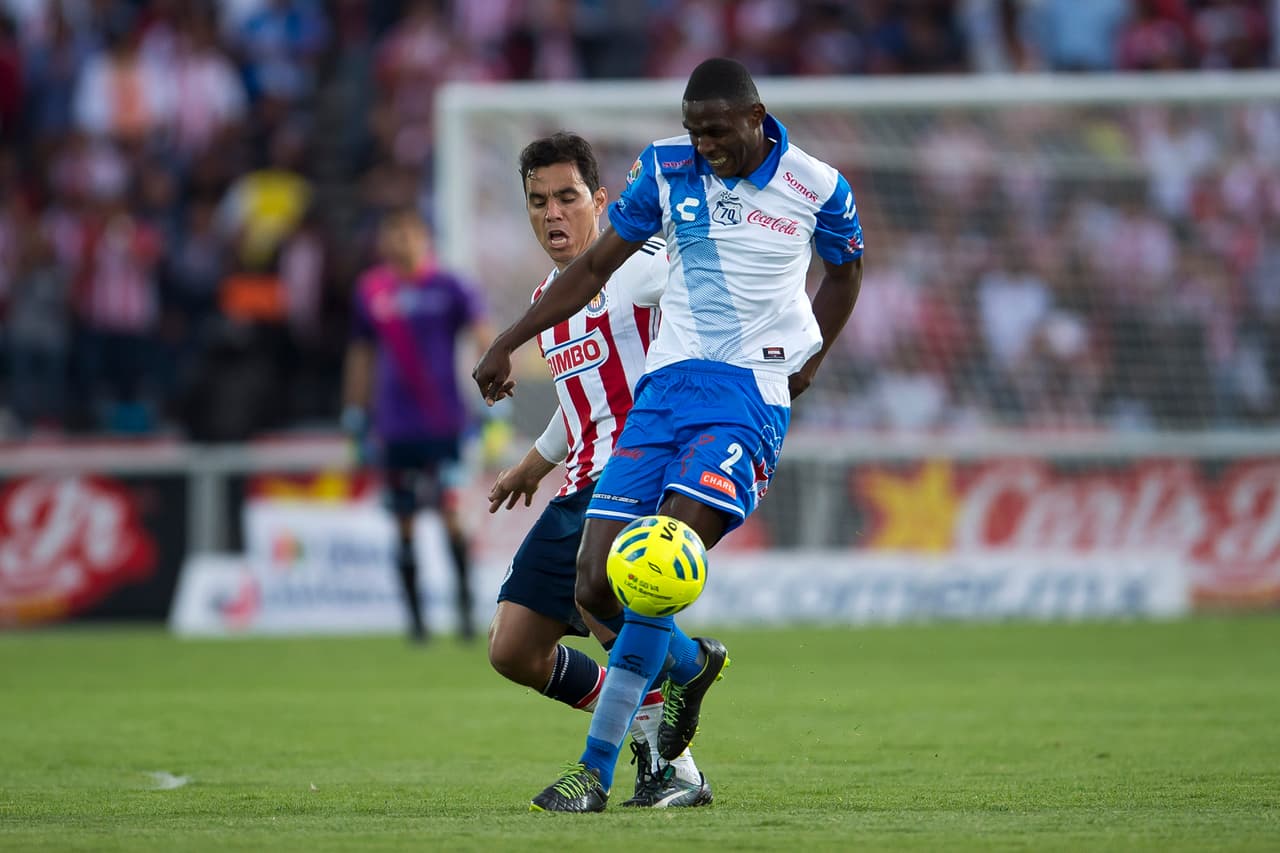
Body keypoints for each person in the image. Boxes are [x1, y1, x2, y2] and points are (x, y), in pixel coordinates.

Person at [474, 57, 864, 812]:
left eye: (716, 132)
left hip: (740, 400)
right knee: (582, 595)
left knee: (648, 577)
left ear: (755, 118)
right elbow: (590, 315)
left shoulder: (815, 186)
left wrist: (808, 359)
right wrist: (513, 360)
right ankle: (690, 667)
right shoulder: (661, 173)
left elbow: (847, 271)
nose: (703, 146)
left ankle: (605, 771)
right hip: (659, 405)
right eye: (693, 132)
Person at [486, 132, 712, 808]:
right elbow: (579, 399)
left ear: (601, 201)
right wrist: (533, 464)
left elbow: (702, 287)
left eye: (567, 197)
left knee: (600, 598)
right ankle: (690, 666)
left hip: (634, 478)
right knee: (513, 650)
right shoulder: (548, 298)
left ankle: (672, 766)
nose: (553, 213)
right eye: (538, 201)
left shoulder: (639, 266)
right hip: (577, 481)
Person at [343, 208, 490, 643]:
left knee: (451, 514)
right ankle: (416, 624)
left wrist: (495, 400)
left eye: (408, 233)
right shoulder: (371, 290)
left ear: (425, 238)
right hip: (395, 427)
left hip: (445, 424)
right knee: (403, 520)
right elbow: (361, 354)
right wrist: (355, 412)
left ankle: (465, 612)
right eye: (393, 233)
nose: (400, 241)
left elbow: (484, 336)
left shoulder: (450, 287)